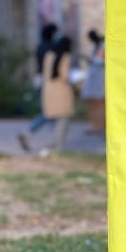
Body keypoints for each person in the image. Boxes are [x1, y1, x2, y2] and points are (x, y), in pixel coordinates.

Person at [18, 23, 57, 152]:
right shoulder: (50, 47)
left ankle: (52, 140)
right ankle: (30, 133)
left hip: (39, 79)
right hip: (47, 81)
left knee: (50, 111)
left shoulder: (40, 46)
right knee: (49, 111)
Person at [41, 36, 74, 154]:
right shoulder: (66, 57)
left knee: (53, 120)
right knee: (63, 119)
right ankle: (58, 146)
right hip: (62, 91)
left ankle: (54, 143)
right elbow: (65, 76)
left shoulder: (48, 55)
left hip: (49, 91)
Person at [80, 29, 105, 133]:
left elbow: (99, 61)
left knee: (99, 101)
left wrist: (90, 60)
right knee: (91, 101)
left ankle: (100, 125)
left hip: (99, 76)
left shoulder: (102, 46)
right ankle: (94, 125)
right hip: (93, 76)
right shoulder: (94, 47)